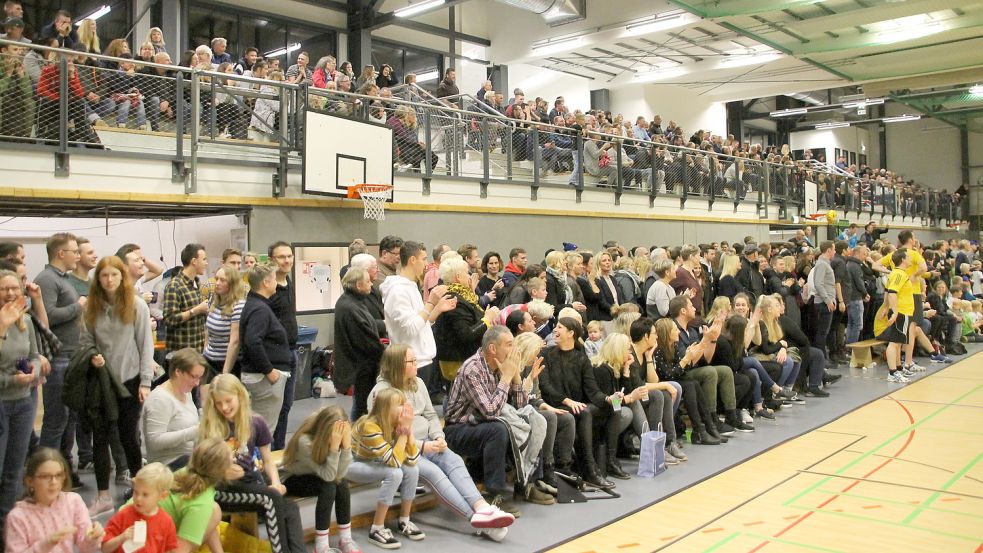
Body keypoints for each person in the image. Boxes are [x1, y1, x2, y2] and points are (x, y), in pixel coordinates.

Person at [369, 345, 514, 541]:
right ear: (396, 366)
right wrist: (421, 446)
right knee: (434, 472)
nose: (416, 365)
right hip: (402, 449)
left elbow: (430, 415)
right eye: (411, 361)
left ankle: (483, 508)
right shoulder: (381, 393)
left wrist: (439, 437)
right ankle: (478, 520)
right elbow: (385, 434)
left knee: (454, 460)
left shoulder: (418, 383)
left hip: (430, 442)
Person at [79, 256, 153, 516]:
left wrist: (145, 382)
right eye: (104, 276)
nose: (109, 280)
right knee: (100, 437)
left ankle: (139, 491)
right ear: (97, 279)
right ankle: (102, 496)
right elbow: (86, 342)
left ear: (122, 278)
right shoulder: (91, 307)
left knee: (128, 437)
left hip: (130, 381)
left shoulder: (137, 306)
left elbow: (145, 345)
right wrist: (92, 356)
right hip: (102, 381)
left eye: (114, 275)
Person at [199, 374, 305, 553]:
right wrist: (222, 472)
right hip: (221, 489)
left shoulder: (255, 421)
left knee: (290, 507)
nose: (224, 407)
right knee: (270, 498)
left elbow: (268, 461)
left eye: (228, 401)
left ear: (240, 396)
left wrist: (276, 482)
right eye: (218, 403)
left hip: (250, 484)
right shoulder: (210, 426)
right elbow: (201, 468)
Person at [539, 318, 617, 489]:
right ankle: (589, 468)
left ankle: (609, 461)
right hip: (552, 403)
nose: (554, 330)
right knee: (585, 412)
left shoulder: (581, 359)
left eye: (559, 327)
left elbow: (592, 390)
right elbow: (545, 386)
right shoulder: (546, 354)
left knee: (612, 409)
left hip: (575, 405)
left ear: (571, 333)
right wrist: (565, 400)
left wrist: (608, 399)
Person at [35, 233, 85, 486]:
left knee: (68, 419)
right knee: (56, 420)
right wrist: (80, 306)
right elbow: (48, 316)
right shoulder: (46, 279)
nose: (78, 255)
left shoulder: (62, 279)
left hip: (71, 357)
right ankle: (44, 475)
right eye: (74, 251)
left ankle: (64, 471)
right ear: (60, 253)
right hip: (57, 359)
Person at [381, 241, 456, 406]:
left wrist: (437, 308)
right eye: (424, 259)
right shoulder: (397, 290)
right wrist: (431, 303)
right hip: (411, 362)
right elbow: (410, 328)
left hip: (422, 359)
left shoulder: (411, 286)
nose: (426, 264)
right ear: (413, 260)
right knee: (410, 412)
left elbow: (422, 321)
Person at [350, 387, 424, 549]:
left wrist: (407, 431)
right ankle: (376, 528)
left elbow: (412, 460)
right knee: (395, 473)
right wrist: (404, 434)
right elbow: (395, 462)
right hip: (353, 463)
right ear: (386, 409)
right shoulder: (369, 426)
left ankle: (404, 520)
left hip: (375, 461)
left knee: (412, 470)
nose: (404, 408)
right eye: (399, 404)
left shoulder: (396, 423)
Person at [669, 295, 751, 433]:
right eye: (691, 306)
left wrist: (712, 339)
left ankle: (731, 415)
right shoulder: (674, 330)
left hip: (694, 367)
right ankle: (712, 418)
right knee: (709, 372)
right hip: (681, 371)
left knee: (725, 370)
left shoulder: (692, 330)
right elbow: (688, 360)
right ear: (683, 311)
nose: (694, 308)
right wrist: (705, 341)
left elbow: (706, 359)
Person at [282, 405, 359, 553]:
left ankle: (346, 539)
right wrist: (335, 447)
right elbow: (329, 476)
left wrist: (347, 446)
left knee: (341, 483)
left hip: (318, 474)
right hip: (294, 478)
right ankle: (321, 545)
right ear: (324, 431)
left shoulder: (337, 436)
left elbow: (340, 475)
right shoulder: (305, 441)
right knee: (329, 486)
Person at [0, 269, 42, 530]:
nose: (11, 293)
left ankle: (6, 526)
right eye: (5, 289)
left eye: (15, 288)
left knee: (14, 471)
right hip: (2, 402)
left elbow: (35, 355)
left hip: (24, 402)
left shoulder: (26, 321)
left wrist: (34, 369)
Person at [4, 448, 104, 553]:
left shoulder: (73, 501)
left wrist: (93, 538)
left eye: (58, 475)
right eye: (45, 476)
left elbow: (86, 548)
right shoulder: (17, 517)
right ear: (30, 481)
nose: (53, 481)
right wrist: (47, 543)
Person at [239, 263, 292, 434]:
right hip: (264, 380)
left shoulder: (255, 304)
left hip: (262, 377)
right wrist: (269, 371)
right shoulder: (259, 309)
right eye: (274, 279)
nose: (277, 283)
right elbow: (252, 342)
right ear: (266, 283)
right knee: (262, 432)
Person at [434, 256, 500, 387]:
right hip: (458, 361)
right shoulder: (454, 299)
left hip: (464, 359)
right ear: (458, 277)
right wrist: (487, 318)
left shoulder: (464, 296)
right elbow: (466, 334)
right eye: (467, 273)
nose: (470, 276)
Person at [626, 318, 687, 460]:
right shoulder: (630, 354)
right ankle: (656, 445)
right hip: (629, 398)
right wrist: (665, 385)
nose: (657, 336)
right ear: (646, 336)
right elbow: (638, 386)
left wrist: (648, 358)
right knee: (659, 394)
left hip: (641, 396)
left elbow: (654, 381)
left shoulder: (645, 352)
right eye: (654, 333)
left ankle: (669, 442)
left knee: (664, 394)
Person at [333, 266, 385, 419]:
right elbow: (366, 339)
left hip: (363, 364)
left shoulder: (353, 301)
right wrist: (388, 353)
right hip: (361, 365)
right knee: (362, 405)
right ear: (358, 285)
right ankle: (357, 437)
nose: (371, 284)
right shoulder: (350, 307)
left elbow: (368, 325)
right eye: (368, 281)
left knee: (362, 403)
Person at [143, 348, 204, 469]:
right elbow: (154, 441)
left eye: (199, 378)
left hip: (187, 459)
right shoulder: (159, 399)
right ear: (178, 372)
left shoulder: (185, 391)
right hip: (167, 466)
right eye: (194, 377)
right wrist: (194, 432)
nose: (197, 383)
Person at [100, 463, 178, 553]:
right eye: (136, 492)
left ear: (162, 496)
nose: (138, 498)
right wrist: (122, 537)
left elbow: (170, 550)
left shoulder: (166, 522)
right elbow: (104, 548)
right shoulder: (124, 514)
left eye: (145, 495)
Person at [266, 241, 298, 450]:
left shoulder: (289, 284)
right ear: (272, 260)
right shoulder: (268, 289)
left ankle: (278, 451)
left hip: (291, 352)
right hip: (275, 357)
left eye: (289, 256)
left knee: (286, 406)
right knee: (272, 409)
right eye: (281, 257)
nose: (287, 260)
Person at [162, 243, 209, 353]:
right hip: (181, 355)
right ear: (194, 261)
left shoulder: (197, 283)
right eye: (204, 259)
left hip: (197, 351)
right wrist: (196, 310)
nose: (206, 263)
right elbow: (169, 319)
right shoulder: (174, 286)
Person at [879, 249, 916, 383]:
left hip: (903, 311)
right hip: (901, 311)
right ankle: (892, 372)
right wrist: (894, 312)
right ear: (902, 259)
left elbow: (887, 291)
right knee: (894, 343)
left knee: (898, 342)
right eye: (908, 256)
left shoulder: (897, 273)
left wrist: (885, 306)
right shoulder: (899, 274)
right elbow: (892, 292)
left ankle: (898, 368)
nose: (911, 258)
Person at [202, 265, 245, 379]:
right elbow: (207, 331)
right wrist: (205, 352)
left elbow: (235, 342)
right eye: (216, 279)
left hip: (227, 364)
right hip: (209, 360)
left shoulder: (238, 306)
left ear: (232, 284)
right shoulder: (214, 302)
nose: (217, 283)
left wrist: (225, 373)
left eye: (222, 280)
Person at [811, 241, 837, 361]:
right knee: (822, 333)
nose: (835, 252)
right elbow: (818, 284)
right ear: (828, 250)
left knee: (824, 332)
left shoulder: (825, 264)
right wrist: (827, 300)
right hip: (823, 303)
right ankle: (821, 360)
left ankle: (823, 359)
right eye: (834, 249)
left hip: (826, 302)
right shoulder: (822, 264)